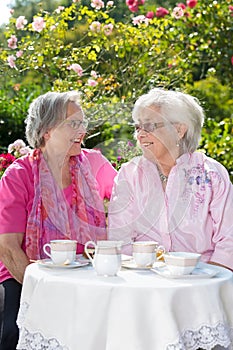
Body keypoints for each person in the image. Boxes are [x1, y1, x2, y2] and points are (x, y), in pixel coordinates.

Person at [0, 90, 117, 349]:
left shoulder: (95, 163)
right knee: (15, 333)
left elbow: (131, 196)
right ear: (47, 130)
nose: (82, 130)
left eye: (83, 123)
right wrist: (45, 289)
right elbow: (8, 248)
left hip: (87, 272)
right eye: (73, 124)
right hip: (28, 274)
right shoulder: (18, 176)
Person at [108, 88, 233, 271]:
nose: (140, 134)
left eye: (149, 126)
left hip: (202, 280)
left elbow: (228, 240)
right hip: (144, 282)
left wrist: (207, 282)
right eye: (137, 127)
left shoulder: (212, 175)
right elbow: (120, 239)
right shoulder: (130, 174)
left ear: (179, 130)